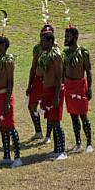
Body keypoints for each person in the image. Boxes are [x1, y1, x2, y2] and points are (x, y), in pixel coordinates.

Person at [0, 36, 22, 168]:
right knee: (2, 126)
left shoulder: (9, 61)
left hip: (5, 97)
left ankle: (18, 157)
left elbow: (10, 82)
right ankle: (6, 156)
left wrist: (7, 101)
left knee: (9, 126)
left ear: (3, 45)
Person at [63, 26, 94, 153]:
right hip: (69, 86)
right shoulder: (65, 54)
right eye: (65, 36)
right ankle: (78, 142)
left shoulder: (83, 52)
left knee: (83, 115)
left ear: (75, 37)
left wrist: (90, 88)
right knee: (73, 115)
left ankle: (89, 143)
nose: (65, 39)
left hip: (80, 86)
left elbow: (88, 71)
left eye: (68, 36)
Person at [39, 26, 67, 160]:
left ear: (50, 42)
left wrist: (56, 96)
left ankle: (62, 151)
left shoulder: (56, 55)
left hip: (56, 91)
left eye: (43, 41)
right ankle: (56, 149)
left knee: (56, 122)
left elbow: (59, 77)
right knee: (51, 120)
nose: (41, 43)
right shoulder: (45, 55)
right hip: (48, 91)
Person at [25, 28, 48, 142]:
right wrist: (29, 85)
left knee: (49, 108)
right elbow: (33, 67)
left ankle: (48, 135)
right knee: (31, 106)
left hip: (49, 81)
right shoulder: (37, 49)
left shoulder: (55, 50)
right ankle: (38, 131)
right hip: (37, 80)